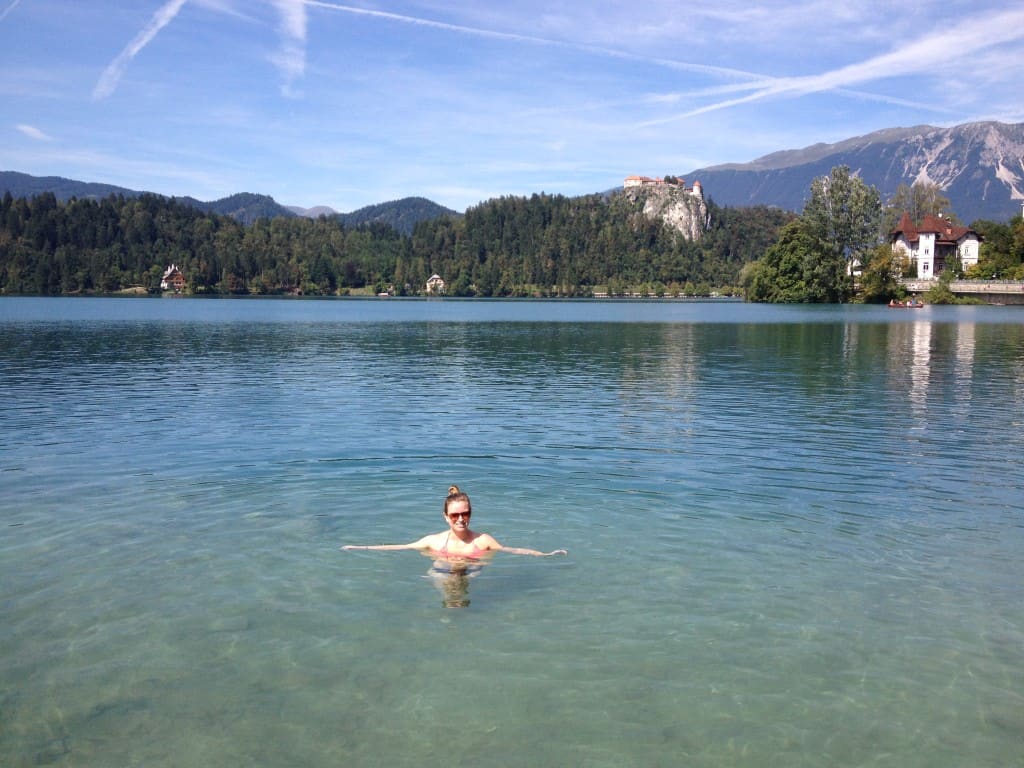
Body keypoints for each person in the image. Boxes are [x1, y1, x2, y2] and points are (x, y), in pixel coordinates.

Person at [341, 485, 568, 559]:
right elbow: (400, 546)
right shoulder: (434, 541)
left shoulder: (483, 540)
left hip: (471, 573)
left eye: (465, 514)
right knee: (443, 575)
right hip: (443, 570)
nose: (461, 519)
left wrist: (545, 554)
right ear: (446, 517)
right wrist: (361, 547)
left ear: (470, 513)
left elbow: (512, 549)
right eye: (455, 515)